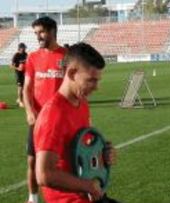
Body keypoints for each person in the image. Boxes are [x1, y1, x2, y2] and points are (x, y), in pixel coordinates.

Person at [34, 42, 116, 203]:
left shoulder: (81, 103)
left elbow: (81, 151)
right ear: (71, 73)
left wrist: (103, 154)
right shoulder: (54, 114)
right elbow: (44, 175)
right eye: (91, 80)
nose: (96, 87)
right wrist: (87, 186)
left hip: (87, 196)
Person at [23, 16, 67, 203]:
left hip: (63, 120)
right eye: (36, 33)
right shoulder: (32, 57)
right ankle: (33, 199)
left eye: (41, 32)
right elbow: (26, 88)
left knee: (66, 163)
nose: (38, 36)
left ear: (52, 31)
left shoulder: (67, 56)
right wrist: (29, 111)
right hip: (39, 121)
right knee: (32, 161)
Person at [11, 42, 27, 107]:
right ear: (20, 48)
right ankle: (20, 101)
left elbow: (27, 62)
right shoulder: (16, 55)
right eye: (23, 48)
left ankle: (19, 99)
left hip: (24, 73)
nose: (24, 49)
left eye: (25, 48)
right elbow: (11, 66)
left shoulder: (26, 54)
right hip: (18, 73)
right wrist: (18, 68)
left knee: (24, 87)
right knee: (20, 87)